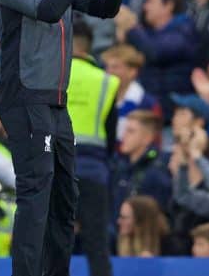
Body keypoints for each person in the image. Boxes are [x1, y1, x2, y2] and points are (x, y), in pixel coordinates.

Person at [0, 0, 148, 276]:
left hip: (54, 102)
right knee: (36, 195)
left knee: (64, 201)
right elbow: (47, 10)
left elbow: (105, 8)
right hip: (24, 96)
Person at [67, 21, 118, 276]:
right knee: (97, 244)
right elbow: (111, 136)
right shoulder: (106, 82)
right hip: (93, 171)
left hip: (56, 170)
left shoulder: (49, 75)